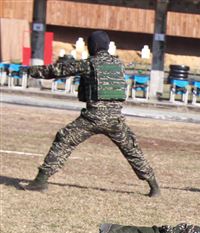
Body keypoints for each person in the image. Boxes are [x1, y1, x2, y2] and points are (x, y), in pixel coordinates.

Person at [25, 31, 159, 197]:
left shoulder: (90, 63)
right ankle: (154, 186)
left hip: (92, 118)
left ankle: (41, 180)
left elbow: (58, 70)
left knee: (64, 140)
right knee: (132, 150)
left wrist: (30, 70)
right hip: (115, 120)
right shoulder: (119, 64)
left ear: (93, 46)